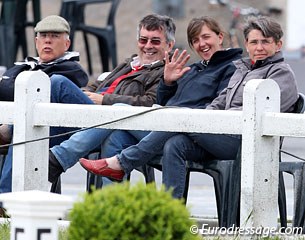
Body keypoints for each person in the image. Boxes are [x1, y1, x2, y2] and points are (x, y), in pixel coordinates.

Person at [79, 16, 298, 199]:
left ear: (278, 45)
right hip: (212, 131)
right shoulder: (242, 69)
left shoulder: (280, 73)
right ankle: (171, 215)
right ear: (247, 44)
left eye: (265, 42)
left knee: (177, 118)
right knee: (175, 143)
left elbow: (257, 113)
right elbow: (219, 102)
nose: (258, 48)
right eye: (253, 42)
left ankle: (121, 163)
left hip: (244, 140)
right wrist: (173, 88)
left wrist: (204, 119)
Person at [38, 14, 176, 185]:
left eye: (155, 41)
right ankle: (29, 149)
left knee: (58, 82)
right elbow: (97, 85)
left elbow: (150, 102)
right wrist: (87, 94)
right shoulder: (129, 63)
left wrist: (105, 100)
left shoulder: (166, 72)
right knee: (55, 93)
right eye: (143, 40)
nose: (147, 46)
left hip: (119, 120)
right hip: (97, 120)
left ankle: (54, 158)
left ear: (169, 45)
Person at [0, 15, 97, 193]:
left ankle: (5, 198)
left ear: (67, 44)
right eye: (43, 36)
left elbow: (12, 88)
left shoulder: (70, 69)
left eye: (54, 36)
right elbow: (5, 88)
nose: (48, 41)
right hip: (32, 123)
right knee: (25, 127)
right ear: (36, 41)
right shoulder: (23, 66)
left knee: (52, 86)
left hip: (67, 128)